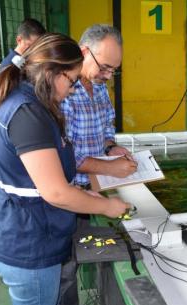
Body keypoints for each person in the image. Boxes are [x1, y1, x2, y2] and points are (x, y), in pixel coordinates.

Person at [0, 33, 129, 305]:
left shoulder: (30, 103)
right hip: (29, 247)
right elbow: (56, 192)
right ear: (52, 73)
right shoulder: (28, 113)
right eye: (71, 81)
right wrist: (107, 207)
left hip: (27, 234)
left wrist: (88, 197)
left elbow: (42, 178)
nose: (72, 90)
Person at [61, 24, 136, 191]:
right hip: (73, 189)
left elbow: (107, 124)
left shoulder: (99, 85)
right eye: (104, 67)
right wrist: (109, 167)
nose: (108, 76)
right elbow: (62, 153)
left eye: (114, 70)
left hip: (98, 184)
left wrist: (110, 147)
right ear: (84, 53)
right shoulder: (62, 91)